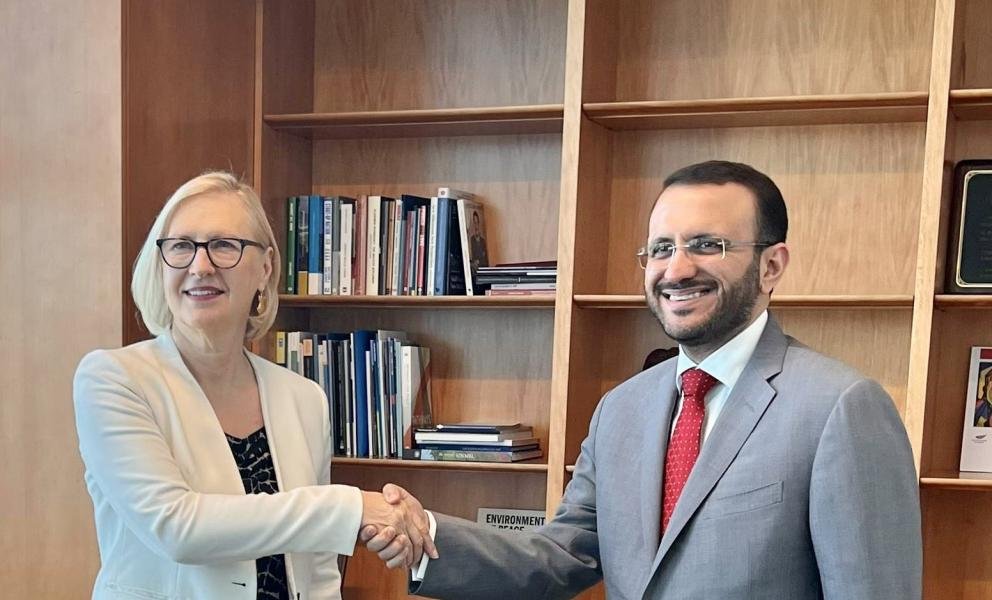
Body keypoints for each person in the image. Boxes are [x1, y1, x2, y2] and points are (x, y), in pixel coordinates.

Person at [363, 160, 922, 598]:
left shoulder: (841, 408)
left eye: (707, 245)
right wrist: (424, 532)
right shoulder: (620, 410)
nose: (676, 269)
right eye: (661, 249)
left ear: (771, 265)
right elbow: (560, 557)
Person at [73, 171, 435, 600]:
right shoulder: (113, 379)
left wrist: (366, 517)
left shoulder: (305, 398)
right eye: (181, 246)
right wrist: (352, 509)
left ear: (265, 268)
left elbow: (318, 570)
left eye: (224, 245)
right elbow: (177, 528)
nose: (200, 266)